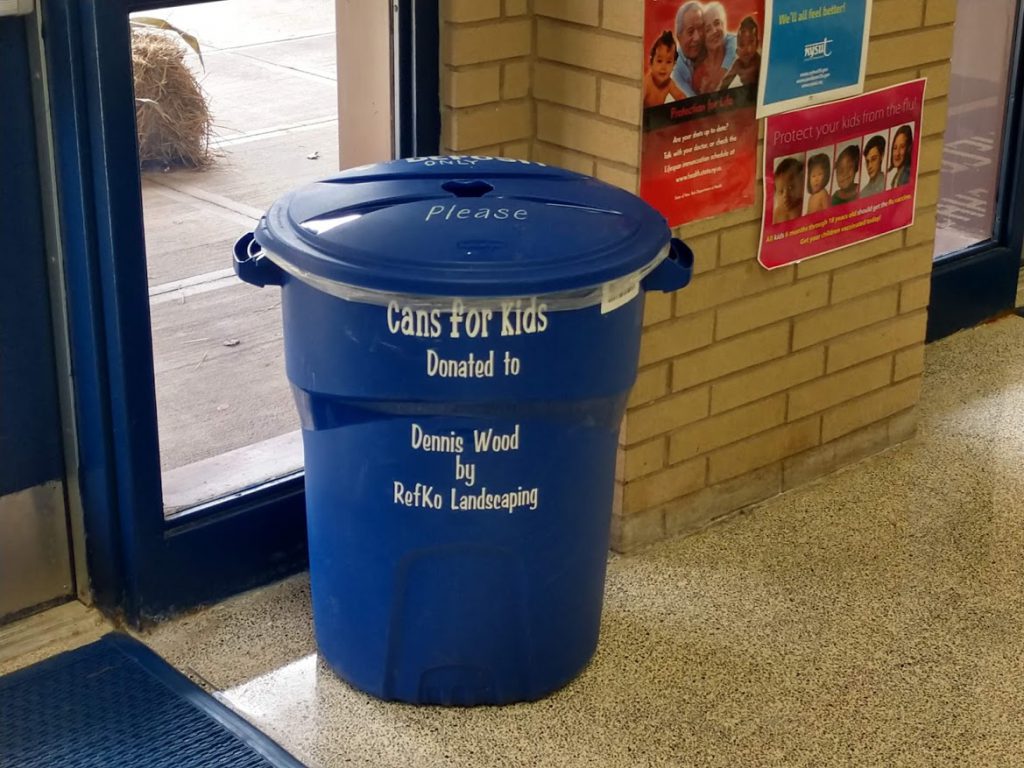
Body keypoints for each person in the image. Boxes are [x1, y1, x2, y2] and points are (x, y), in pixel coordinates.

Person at [692, 2, 737, 94]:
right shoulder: (698, 74)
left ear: (724, 25)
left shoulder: (738, 53)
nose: (714, 31)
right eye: (708, 29)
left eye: (717, 23)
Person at [671, 1, 705, 98]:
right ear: (679, 37)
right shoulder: (676, 72)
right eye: (690, 32)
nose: (697, 37)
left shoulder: (711, 45)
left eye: (700, 28)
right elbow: (694, 104)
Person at [644, 30, 687, 107]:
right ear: (651, 63)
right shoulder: (647, 83)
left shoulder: (669, 83)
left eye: (668, 62)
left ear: (674, 64)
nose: (663, 67)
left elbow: (680, 96)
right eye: (659, 61)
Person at [717, 15, 760, 89]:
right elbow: (723, 85)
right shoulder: (737, 65)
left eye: (751, 42)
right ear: (737, 51)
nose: (747, 49)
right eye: (742, 44)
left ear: (757, 44)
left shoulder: (759, 62)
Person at [773, 156, 804, 224]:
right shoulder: (777, 213)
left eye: (791, 188)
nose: (786, 195)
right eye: (781, 191)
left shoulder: (802, 205)